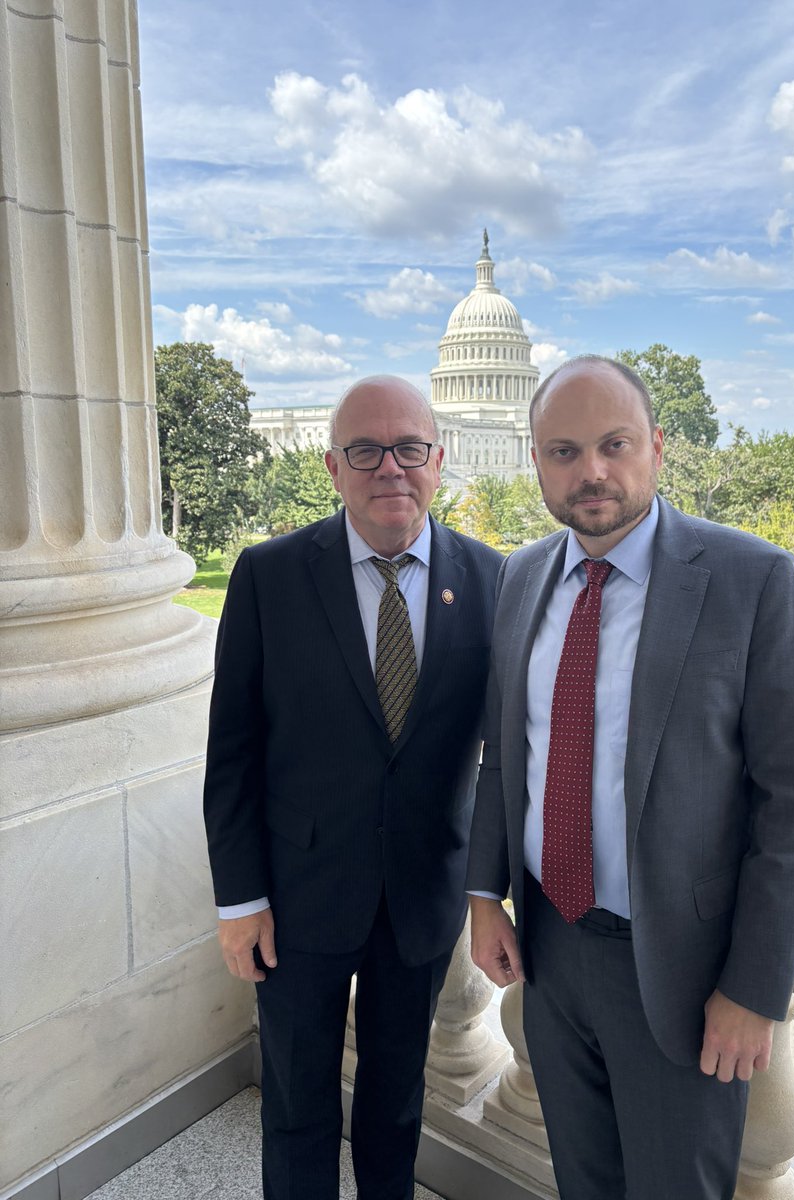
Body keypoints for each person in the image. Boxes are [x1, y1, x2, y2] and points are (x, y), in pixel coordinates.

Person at [466, 356, 794, 1199]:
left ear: (657, 448)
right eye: (563, 451)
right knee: (584, 1182)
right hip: (550, 951)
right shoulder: (520, 577)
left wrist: (753, 987)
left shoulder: (751, 578)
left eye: (613, 444)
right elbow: (505, 754)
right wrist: (485, 896)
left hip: (683, 972)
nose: (590, 471)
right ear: (537, 463)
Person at [203, 376, 502, 1200]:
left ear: (439, 461)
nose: (390, 470)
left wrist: (490, 892)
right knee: (297, 1105)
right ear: (333, 467)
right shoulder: (267, 576)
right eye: (365, 451)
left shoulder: (492, 581)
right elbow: (231, 753)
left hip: (422, 901)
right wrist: (238, 901)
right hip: (297, 901)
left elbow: (508, 760)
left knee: (397, 1104)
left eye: (409, 449)